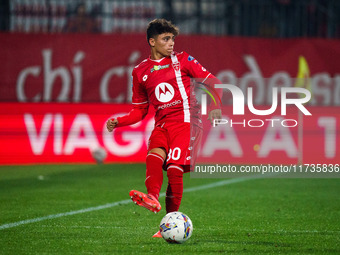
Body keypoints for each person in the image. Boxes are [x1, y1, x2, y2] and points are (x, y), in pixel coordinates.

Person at [106, 19, 222, 238]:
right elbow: (139, 111)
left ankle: (168, 224)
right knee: (154, 155)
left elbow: (213, 82)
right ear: (152, 41)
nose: (171, 44)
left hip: (187, 122)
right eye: (165, 39)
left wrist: (216, 106)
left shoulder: (183, 60)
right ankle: (152, 197)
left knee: (174, 170)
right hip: (162, 124)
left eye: (172, 39)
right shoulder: (140, 71)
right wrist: (119, 121)